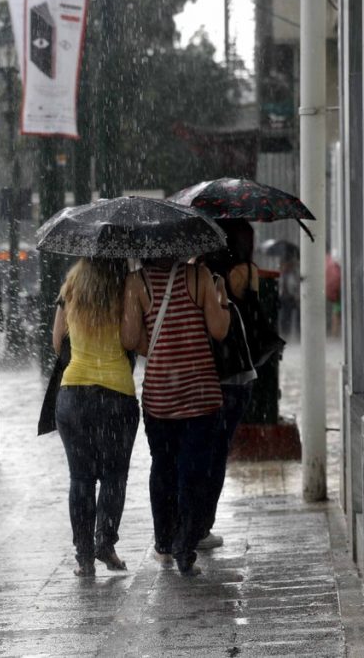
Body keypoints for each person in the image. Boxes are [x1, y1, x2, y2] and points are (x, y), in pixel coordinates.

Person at [121, 256, 230, 577]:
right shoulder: (199, 276)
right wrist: (221, 296)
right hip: (200, 391)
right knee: (194, 471)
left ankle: (164, 542)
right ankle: (186, 544)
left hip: (160, 395)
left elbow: (129, 339)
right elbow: (219, 330)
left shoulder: (136, 282)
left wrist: (158, 349)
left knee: (163, 467)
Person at [50, 258, 140, 577]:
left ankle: (84, 557)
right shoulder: (126, 286)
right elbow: (131, 340)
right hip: (115, 395)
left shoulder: (72, 285)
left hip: (73, 395)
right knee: (114, 476)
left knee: (81, 478)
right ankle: (105, 542)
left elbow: (57, 339)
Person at [196, 220, 260, 550]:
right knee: (218, 454)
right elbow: (255, 316)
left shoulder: (202, 274)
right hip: (238, 371)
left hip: (206, 370)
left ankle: (190, 522)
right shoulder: (247, 272)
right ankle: (203, 523)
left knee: (199, 451)